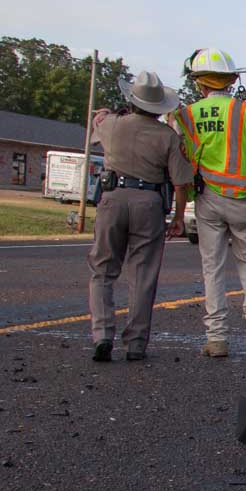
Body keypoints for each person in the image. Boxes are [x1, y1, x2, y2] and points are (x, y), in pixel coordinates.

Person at [172, 48, 246, 358]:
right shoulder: (245, 111)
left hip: (207, 199)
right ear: (231, 80)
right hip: (244, 200)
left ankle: (217, 338)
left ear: (199, 82)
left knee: (213, 268)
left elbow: (179, 158)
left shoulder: (185, 115)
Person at [87, 71, 194, 361]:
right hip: (149, 203)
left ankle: (102, 335)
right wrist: (179, 217)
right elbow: (180, 183)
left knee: (103, 271)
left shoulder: (111, 125)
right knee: (143, 276)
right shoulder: (168, 137)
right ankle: (135, 344)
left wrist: (105, 114)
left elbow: (97, 125)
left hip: (112, 199)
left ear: (131, 101)